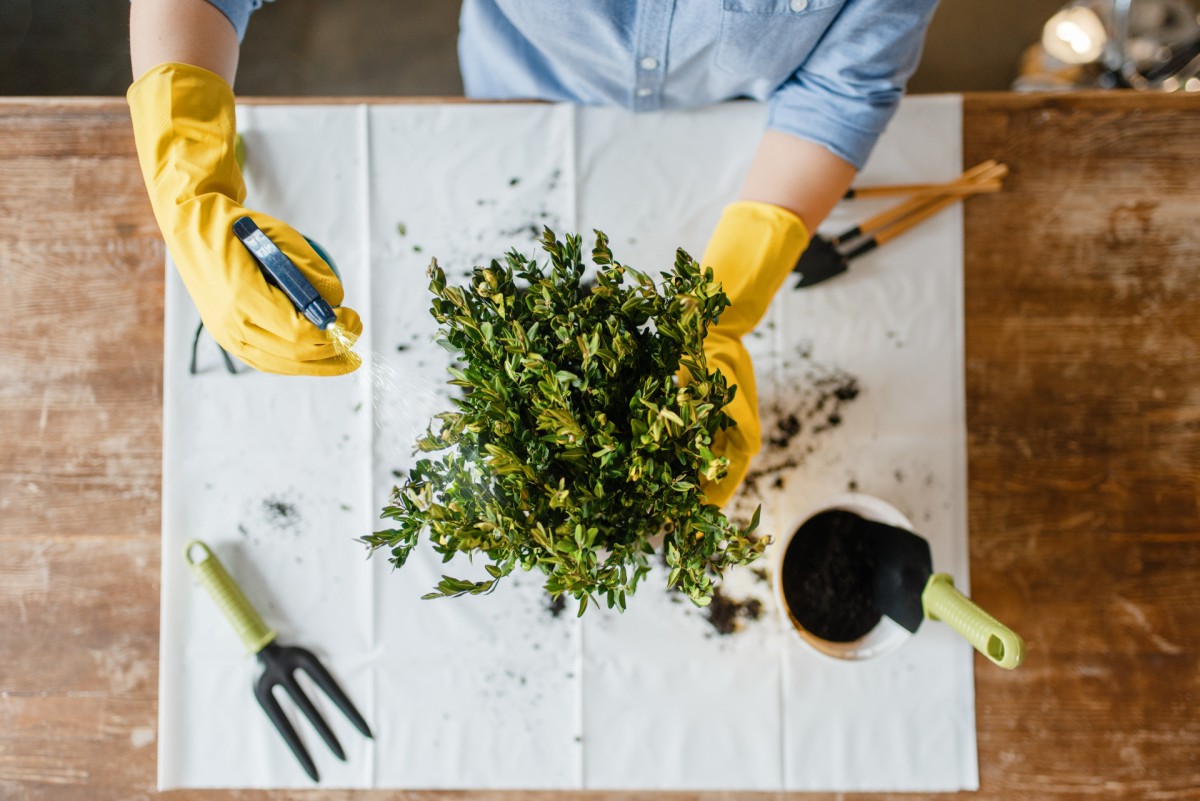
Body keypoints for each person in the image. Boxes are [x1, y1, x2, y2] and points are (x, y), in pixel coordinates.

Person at [127, 0, 939, 506]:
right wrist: (188, 183)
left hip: (734, 131)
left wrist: (722, 302)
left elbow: (843, 86)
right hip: (515, 89)